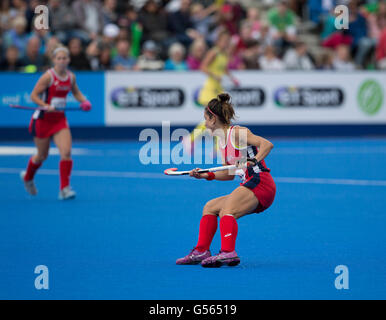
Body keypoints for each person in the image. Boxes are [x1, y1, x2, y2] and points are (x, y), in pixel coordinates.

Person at [176, 93, 276, 267]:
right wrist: (205, 175)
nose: (205, 124)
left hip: (260, 182)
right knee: (210, 207)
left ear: (213, 119)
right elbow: (229, 173)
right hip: (249, 183)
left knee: (227, 211)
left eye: (206, 119)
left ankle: (228, 252)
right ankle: (201, 251)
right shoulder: (221, 142)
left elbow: (267, 144)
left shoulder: (237, 132)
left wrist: (254, 160)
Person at [20, 45, 92, 200]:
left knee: (66, 153)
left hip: (59, 120)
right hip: (43, 120)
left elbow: (76, 92)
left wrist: (84, 101)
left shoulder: (71, 77)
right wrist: (46, 106)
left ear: (68, 60)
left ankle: (64, 189)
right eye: (58, 58)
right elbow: (34, 95)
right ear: (54, 60)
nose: (61, 61)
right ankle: (28, 177)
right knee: (41, 156)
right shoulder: (48, 77)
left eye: (64, 58)